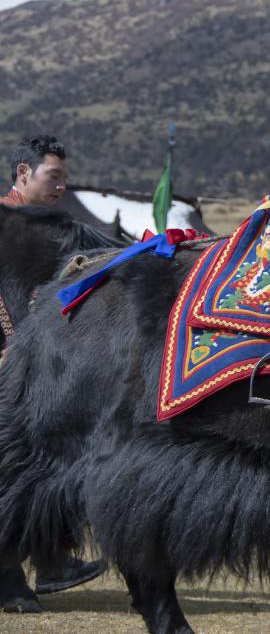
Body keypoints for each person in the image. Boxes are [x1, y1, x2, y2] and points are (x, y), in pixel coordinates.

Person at [1, 135, 103, 598]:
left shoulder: (50, 227)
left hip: (37, 365)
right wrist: (11, 345)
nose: (62, 185)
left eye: (65, 177)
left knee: (49, 457)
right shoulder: (6, 222)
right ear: (24, 173)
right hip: (12, 363)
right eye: (53, 176)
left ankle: (52, 560)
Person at [2, 135, 69, 207]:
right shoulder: (4, 213)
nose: (62, 187)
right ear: (23, 172)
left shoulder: (50, 216)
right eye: (54, 176)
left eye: (64, 180)